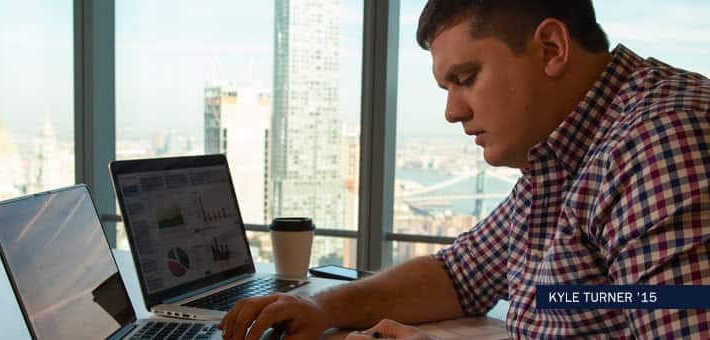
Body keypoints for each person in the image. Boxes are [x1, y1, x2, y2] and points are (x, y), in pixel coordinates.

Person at [218, 0, 710, 339]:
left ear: (552, 48)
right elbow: (457, 275)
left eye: (466, 79)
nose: (452, 112)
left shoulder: (659, 141)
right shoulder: (565, 157)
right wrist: (322, 307)